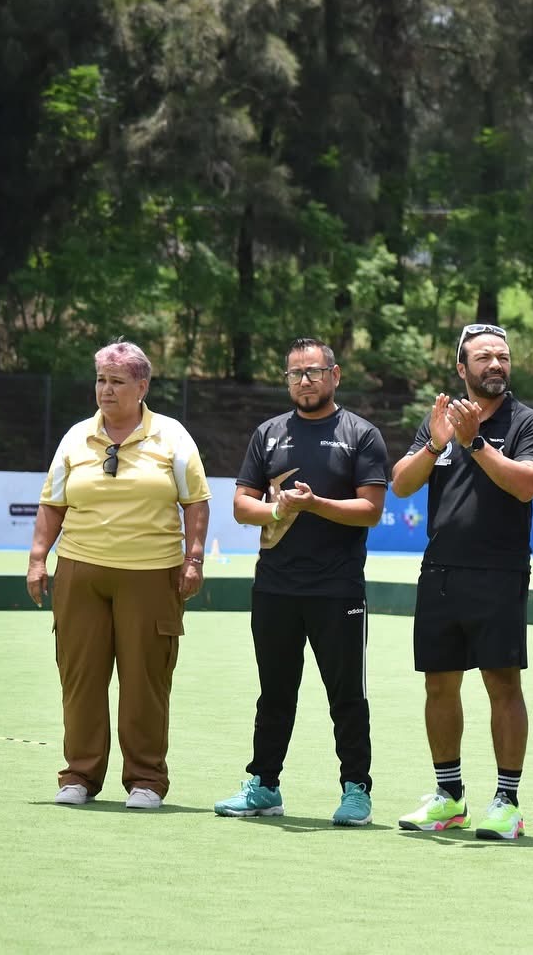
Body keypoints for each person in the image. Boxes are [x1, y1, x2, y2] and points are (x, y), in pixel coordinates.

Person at [213, 338, 388, 827]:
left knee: (346, 695)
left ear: (335, 375)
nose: (304, 381)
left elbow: (370, 510)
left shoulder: (361, 434)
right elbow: (241, 504)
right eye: (295, 374)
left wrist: (314, 505)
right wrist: (278, 509)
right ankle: (264, 785)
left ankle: (356, 789)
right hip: (275, 587)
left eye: (313, 372)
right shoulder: (268, 434)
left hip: (338, 589)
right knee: (274, 692)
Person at [28, 340, 210, 810]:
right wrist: (37, 559)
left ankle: (146, 780)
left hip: (151, 574)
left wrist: (193, 560)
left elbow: (196, 501)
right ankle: (79, 776)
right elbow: (52, 504)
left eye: (117, 381)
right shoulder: (75, 438)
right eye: (100, 380)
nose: (105, 390)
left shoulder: (172, 436)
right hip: (80, 571)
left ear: (142, 386)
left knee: (145, 679)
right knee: (80, 677)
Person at [391, 323, 533, 840]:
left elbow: (526, 486)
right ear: (462, 368)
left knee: (502, 685)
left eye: (502, 356)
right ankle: (449, 797)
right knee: (439, 684)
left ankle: (507, 802)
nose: (496, 365)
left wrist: (474, 442)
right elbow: (401, 484)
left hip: (499, 573)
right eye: (483, 357)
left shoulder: (527, 421)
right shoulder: (439, 418)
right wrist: (435, 443)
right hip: (439, 572)